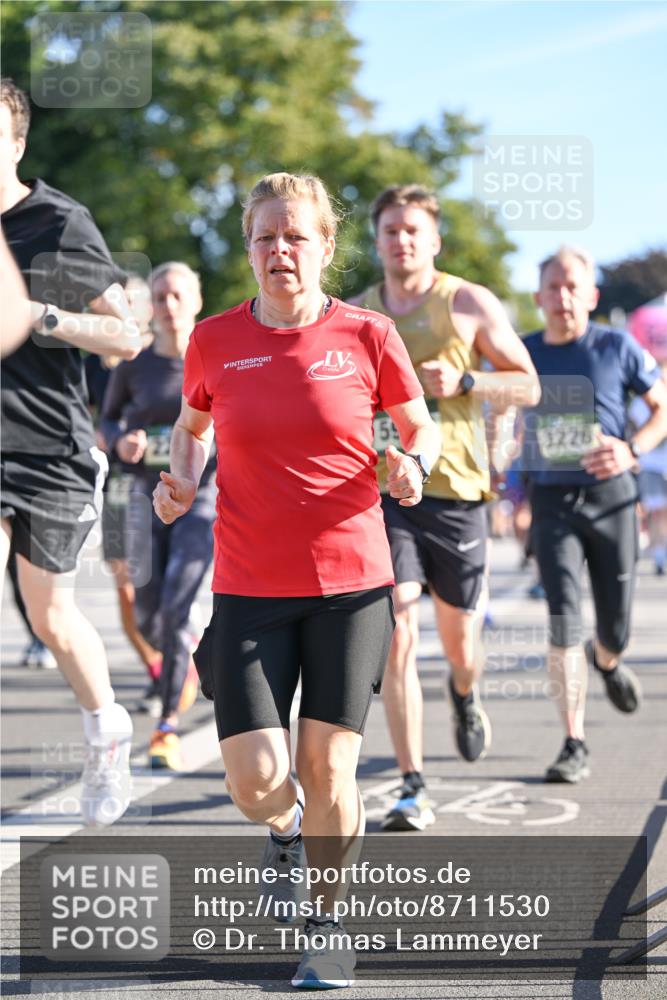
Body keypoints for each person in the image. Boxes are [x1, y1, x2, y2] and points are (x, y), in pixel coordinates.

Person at [153, 172, 440, 988]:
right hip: (249, 585)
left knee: (329, 769)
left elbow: (415, 421)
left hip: (352, 581)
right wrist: (179, 479)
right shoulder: (213, 341)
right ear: (248, 248)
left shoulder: (368, 335)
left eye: (295, 236)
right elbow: (191, 425)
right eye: (264, 238)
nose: (279, 250)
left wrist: (411, 464)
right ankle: (280, 832)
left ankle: (327, 923)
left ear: (323, 245)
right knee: (259, 783)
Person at [351, 184, 540, 832]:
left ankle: (464, 690)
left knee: (460, 643)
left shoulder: (464, 302)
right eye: (390, 230)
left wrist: (467, 382)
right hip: (384, 492)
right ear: (376, 242)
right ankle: (411, 785)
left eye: (413, 230)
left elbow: (528, 383)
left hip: (456, 493)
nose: (401, 240)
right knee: (397, 631)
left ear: (432, 240)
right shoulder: (356, 315)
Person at [1, 78, 147, 825]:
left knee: (51, 616)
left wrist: (43, 315)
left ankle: (106, 731)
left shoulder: (57, 222)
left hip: (48, 448)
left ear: (17, 142)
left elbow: (127, 338)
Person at [522, 246, 667, 783]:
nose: (562, 297)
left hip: (613, 499)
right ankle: (573, 740)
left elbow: (661, 407)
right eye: (552, 288)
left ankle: (606, 660)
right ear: (538, 298)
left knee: (616, 629)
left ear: (592, 295)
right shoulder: (523, 353)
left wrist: (631, 450)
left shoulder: (617, 346)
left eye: (572, 287)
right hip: (553, 502)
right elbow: (500, 413)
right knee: (562, 617)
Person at [102, 262, 213, 770]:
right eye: (161, 297)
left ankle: (165, 724)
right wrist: (121, 439)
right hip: (146, 498)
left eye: (177, 296)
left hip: (203, 500)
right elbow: (106, 418)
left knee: (175, 608)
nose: (168, 306)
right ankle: (178, 660)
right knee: (146, 612)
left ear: (195, 302)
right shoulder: (135, 363)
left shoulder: (216, 356)